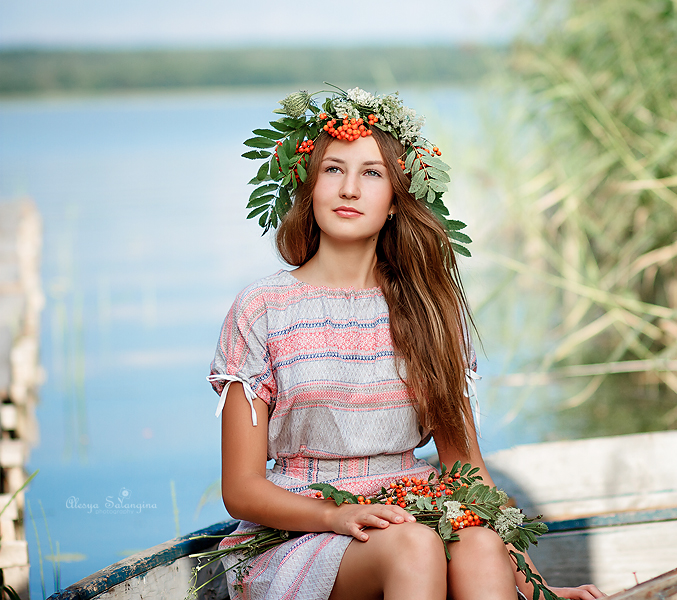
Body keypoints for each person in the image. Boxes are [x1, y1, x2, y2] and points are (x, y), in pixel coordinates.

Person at [208, 87, 604, 600]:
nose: (349, 188)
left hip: (413, 505)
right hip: (301, 529)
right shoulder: (262, 309)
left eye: (371, 173)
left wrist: (539, 586)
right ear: (310, 186)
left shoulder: (428, 310)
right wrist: (334, 514)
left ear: (396, 199)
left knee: (479, 545)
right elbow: (241, 491)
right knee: (413, 547)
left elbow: (465, 471)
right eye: (333, 169)